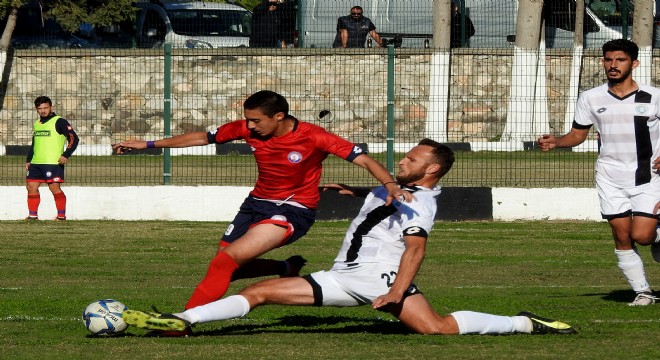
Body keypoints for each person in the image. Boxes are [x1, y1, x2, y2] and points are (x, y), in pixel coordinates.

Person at [122, 139, 577, 337]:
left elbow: (416, 247)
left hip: (378, 278)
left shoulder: (420, 202)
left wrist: (397, 290)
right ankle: (181, 320)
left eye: (413, 159)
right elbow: (386, 200)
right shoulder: (396, 189)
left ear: (432, 170)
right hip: (344, 275)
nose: (402, 161)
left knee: (436, 328)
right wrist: (357, 189)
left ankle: (522, 323)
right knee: (258, 292)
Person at [112, 90, 412, 314]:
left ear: (278, 117)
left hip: (294, 210)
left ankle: (181, 322)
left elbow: (363, 160)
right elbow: (203, 138)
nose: (250, 126)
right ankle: (284, 268)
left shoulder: (314, 136)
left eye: (256, 120)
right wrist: (148, 145)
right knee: (229, 268)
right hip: (255, 204)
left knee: (225, 262)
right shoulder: (247, 128)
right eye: (247, 119)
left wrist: (389, 185)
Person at [538, 39, 660, 306]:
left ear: (634, 63)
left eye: (620, 60)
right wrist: (557, 141)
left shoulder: (654, 97)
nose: (612, 65)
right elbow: (577, 134)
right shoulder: (591, 97)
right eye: (608, 59)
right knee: (621, 235)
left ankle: (656, 236)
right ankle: (643, 292)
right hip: (609, 177)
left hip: (647, 176)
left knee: (642, 235)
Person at [25, 96, 79, 221]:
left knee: (54, 188)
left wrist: (66, 154)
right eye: (40, 108)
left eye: (45, 108)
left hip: (53, 163)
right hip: (36, 162)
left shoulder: (59, 121)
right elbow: (35, 143)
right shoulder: (37, 124)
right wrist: (29, 159)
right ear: (36, 109)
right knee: (31, 187)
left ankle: (61, 216)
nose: (43, 111)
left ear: (51, 107)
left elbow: (73, 138)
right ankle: (32, 216)